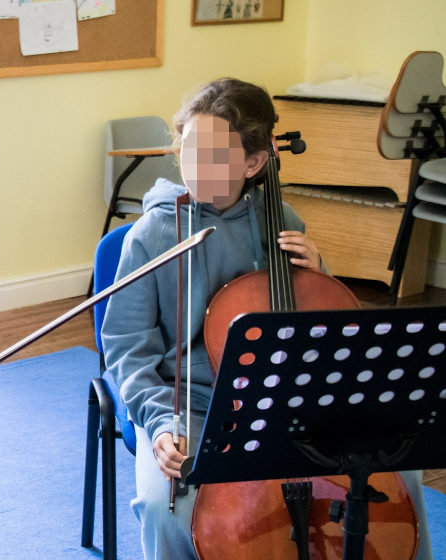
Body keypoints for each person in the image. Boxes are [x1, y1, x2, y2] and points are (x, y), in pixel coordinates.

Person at [100, 77, 432, 560]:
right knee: (162, 507)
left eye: (213, 156)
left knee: (404, 474)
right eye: (188, 149)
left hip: (289, 398)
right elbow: (127, 347)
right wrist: (159, 422)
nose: (194, 166)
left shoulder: (283, 222)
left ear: (254, 163)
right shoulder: (152, 235)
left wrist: (320, 275)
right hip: (193, 404)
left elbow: (329, 334)